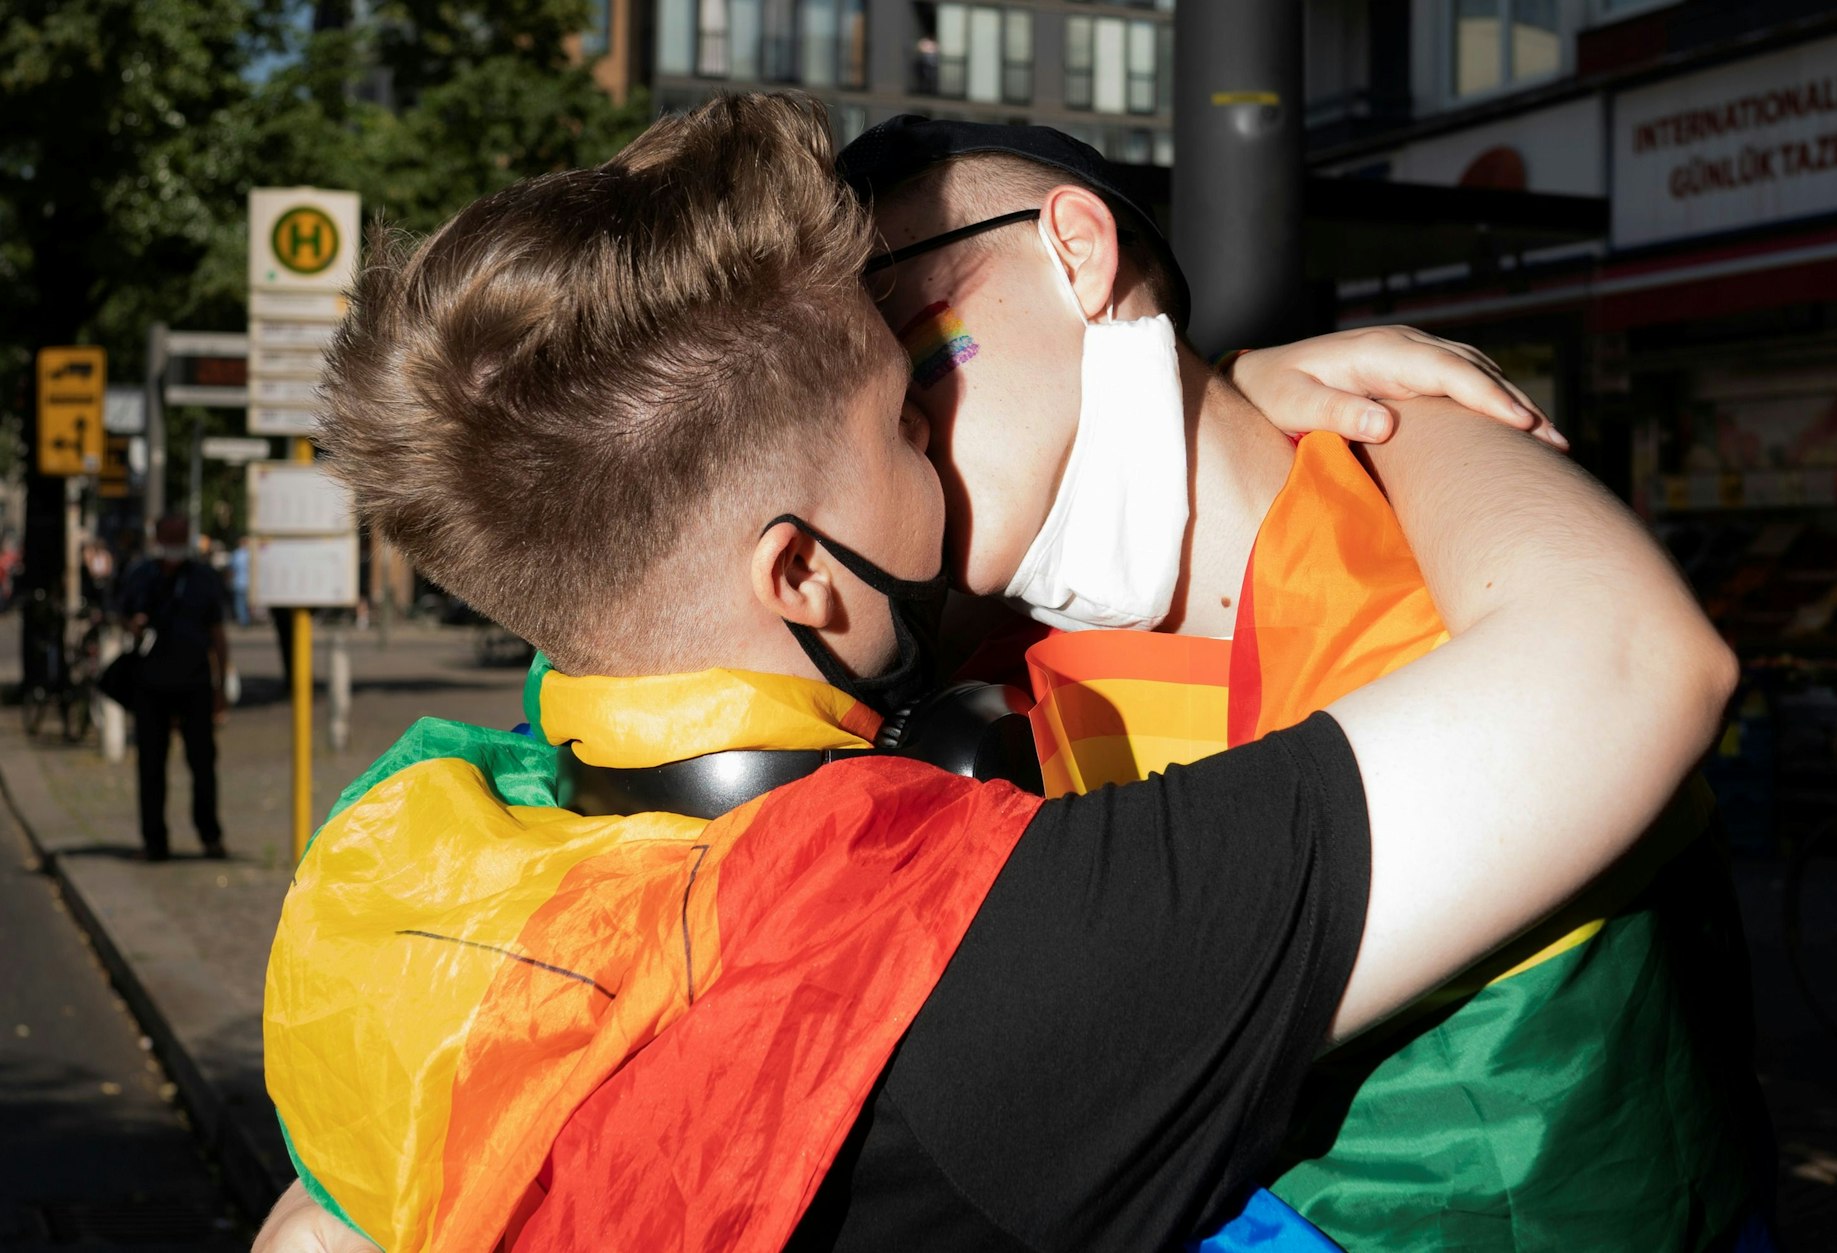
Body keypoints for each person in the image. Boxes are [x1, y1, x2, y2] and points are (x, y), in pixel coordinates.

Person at [252, 93, 1734, 1253]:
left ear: (1083, 255)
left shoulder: (441, 839)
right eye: (897, 396)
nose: (921, 423)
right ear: (802, 576)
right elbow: (1623, 665)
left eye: (917, 345)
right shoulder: (980, 935)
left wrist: (1244, 389)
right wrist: (1424, 417)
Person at [839, 116, 1771, 1251]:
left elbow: (1643, 666)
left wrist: (1382, 421)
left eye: (901, 329)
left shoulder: (1462, 576)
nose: (874, 404)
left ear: (1074, 250)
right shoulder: (954, 681)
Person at [117, 515, 227, 862]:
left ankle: (210, 835)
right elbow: (122, 613)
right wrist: (132, 624)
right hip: (150, 685)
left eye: (181, 536)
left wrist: (220, 685)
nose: (175, 542)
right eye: (170, 536)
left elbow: (218, 635)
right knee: (150, 766)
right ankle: (155, 842)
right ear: (158, 537)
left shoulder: (202, 578)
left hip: (195, 683)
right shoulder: (141, 575)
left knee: (203, 764)